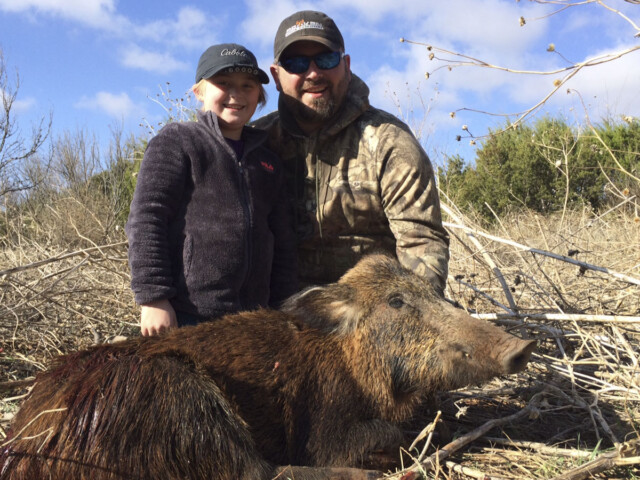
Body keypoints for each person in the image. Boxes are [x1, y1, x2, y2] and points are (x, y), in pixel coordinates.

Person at [253, 10, 450, 294]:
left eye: (326, 59)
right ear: (276, 75)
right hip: (276, 306)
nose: (313, 73)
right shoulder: (256, 142)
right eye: (295, 63)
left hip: (370, 308)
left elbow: (421, 243)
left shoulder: (389, 140)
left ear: (346, 65)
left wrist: (408, 312)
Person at [126, 43, 297, 336]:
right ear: (199, 91)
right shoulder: (178, 141)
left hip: (256, 320)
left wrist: (285, 310)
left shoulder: (268, 161)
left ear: (259, 94)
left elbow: (282, 242)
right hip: (188, 316)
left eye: (247, 85)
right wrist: (154, 298)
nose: (236, 94)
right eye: (223, 83)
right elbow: (147, 219)